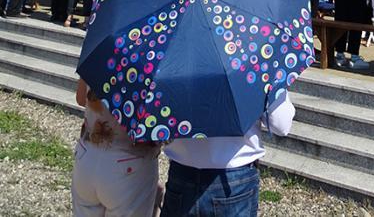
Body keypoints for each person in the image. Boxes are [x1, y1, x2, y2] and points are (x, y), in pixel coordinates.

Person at [160, 92, 294, 217]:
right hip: (234, 178)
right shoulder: (257, 67)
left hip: (181, 174)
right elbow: (281, 124)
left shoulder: (172, 67)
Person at [72, 78, 160, 216]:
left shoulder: (99, 56)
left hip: (87, 155)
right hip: (130, 163)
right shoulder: (159, 65)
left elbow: (81, 98)